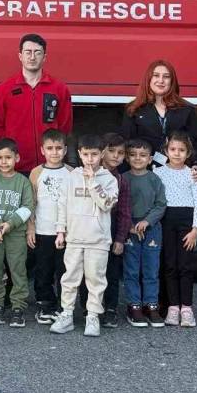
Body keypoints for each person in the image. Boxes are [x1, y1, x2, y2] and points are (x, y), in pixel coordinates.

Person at [49, 134, 118, 337]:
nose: (90, 159)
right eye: (86, 154)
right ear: (79, 154)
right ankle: (67, 315)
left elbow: (106, 204)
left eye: (94, 154)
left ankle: (93, 317)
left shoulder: (109, 179)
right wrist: (60, 231)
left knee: (95, 279)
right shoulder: (71, 177)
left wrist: (92, 182)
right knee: (69, 278)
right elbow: (62, 205)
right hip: (74, 237)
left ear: (102, 154)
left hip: (98, 239)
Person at [0, 33, 73, 174]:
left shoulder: (59, 89)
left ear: (44, 57)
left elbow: (65, 126)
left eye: (37, 52)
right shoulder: (4, 89)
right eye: (28, 52)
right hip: (16, 167)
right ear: (20, 56)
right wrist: (11, 151)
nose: (32, 57)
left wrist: (51, 153)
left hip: (49, 167)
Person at [121, 60, 197, 177]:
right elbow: (126, 143)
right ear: (149, 79)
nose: (161, 80)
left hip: (178, 173)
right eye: (156, 75)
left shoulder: (187, 110)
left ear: (172, 81)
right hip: (144, 174)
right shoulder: (133, 110)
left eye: (166, 77)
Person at [153, 131, 197, 327]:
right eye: (173, 149)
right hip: (166, 222)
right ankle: (173, 308)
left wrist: (195, 230)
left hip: (186, 224)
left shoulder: (192, 174)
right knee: (170, 265)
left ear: (188, 153)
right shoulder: (158, 173)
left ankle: (187, 309)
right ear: (166, 151)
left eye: (181, 150)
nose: (176, 154)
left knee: (185, 266)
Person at [0, 138, 34, 329]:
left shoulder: (23, 181)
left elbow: (28, 206)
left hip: (15, 233)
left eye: (8, 157)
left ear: (17, 158)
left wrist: (9, 225)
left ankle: (18, 306)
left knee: (17, 269)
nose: (4, 162)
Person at [122, 138, 167, 328]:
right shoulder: (123, 179)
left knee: (151, 269)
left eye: (142, 155)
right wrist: (130, 225)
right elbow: (119, 206)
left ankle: (151, 305)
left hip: (151, 229)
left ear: (150, 159)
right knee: (131, 269)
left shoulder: (155, 179)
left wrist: (147, 221)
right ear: (126, 157)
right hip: (130, 229)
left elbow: (161, 205)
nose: (138, 159)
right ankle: (134, 305)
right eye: (133, 155)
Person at [28, 128, 70, 325]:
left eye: (59, 148)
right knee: (43, 269)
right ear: (42, 150)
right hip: (42, 231)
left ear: (65, 150)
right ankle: (45, 303)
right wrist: (30, 228)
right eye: (50, 148)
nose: (55, 152)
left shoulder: (72, 172)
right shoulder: (36, 173)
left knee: (64, 270)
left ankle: (63, 305)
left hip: (65, 232)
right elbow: (31, 202)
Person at [100, 132, 131, 328]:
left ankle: (111, 308)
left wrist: (120, 238)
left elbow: (125, 213)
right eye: (111, 151)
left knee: (111, 272)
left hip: (111, 229)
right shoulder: (86, 175)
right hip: (89, 229)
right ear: (101, 152)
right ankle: (91, 309)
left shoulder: (122, 181)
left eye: (120, 152)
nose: (116, 156)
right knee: (90, 273)